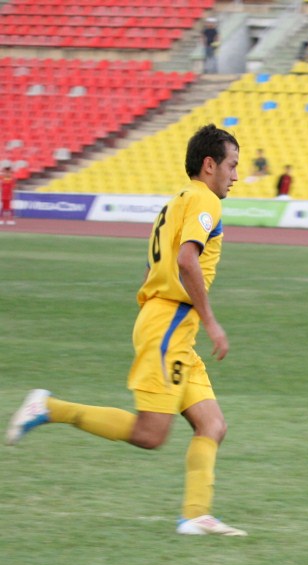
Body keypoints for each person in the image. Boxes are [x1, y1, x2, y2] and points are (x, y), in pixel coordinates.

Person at [5, 124, 246, 537]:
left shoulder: (177, 201)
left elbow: (156, 266)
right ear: (210, 165)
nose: (236, 176)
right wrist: (210, 321)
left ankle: (196, 515)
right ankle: (49, 408)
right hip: (170, 324)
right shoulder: (205, 200)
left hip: (170, 326)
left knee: (213, 425)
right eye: (232, 166)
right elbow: (187, 260)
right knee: (151, 434)